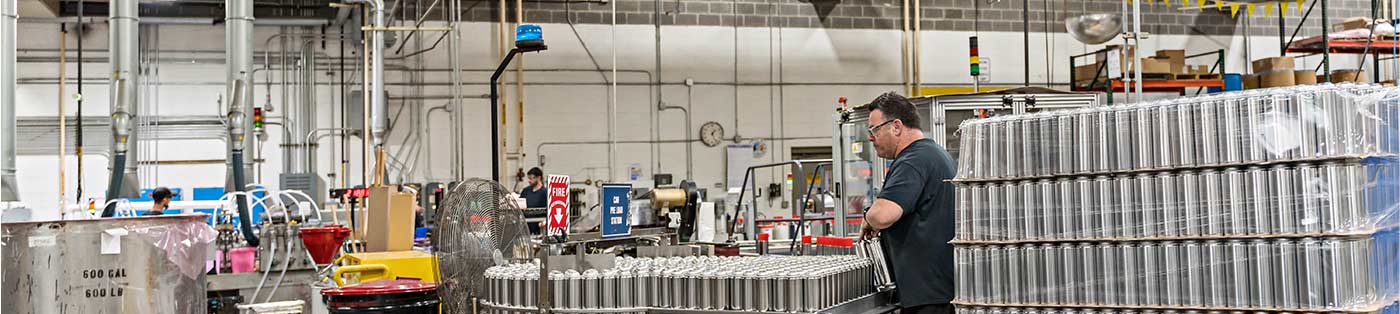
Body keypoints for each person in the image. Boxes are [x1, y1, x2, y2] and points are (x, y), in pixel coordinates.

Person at [859, 92, 957, 314]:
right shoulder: (935, 153)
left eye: (874, 129)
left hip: (927, 298)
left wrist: (868, 218)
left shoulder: (912, 161)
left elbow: (882, 215)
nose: (870, 137)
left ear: (896, 126)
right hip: (939, 291)